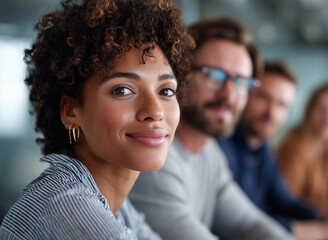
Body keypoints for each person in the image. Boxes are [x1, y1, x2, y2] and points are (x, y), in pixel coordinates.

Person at [0, 0, 194, 239]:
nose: (155, 111)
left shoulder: (116, 207)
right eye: (122, 90)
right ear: (71, 111)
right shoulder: (65, 206)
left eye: (166, 91)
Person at [129, 17, 292, 240]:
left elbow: (249, 223)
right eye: (214, 75)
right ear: (179, 74)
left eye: (240, 82)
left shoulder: (210, 153)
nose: (229, 95)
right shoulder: (155, 153)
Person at [218, 60, 317, 232]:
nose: (272, 113)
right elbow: (241, 221)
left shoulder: (264, 152)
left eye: (282, 105)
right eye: (264, 97)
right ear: (244, 94)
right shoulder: (220, 145)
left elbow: (286, 202)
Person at [277, 83, 328, 239]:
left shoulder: (326, 150)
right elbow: (288, 202)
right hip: (291, 228)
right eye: (321, 108)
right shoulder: (296, 147)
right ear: (309, 112)